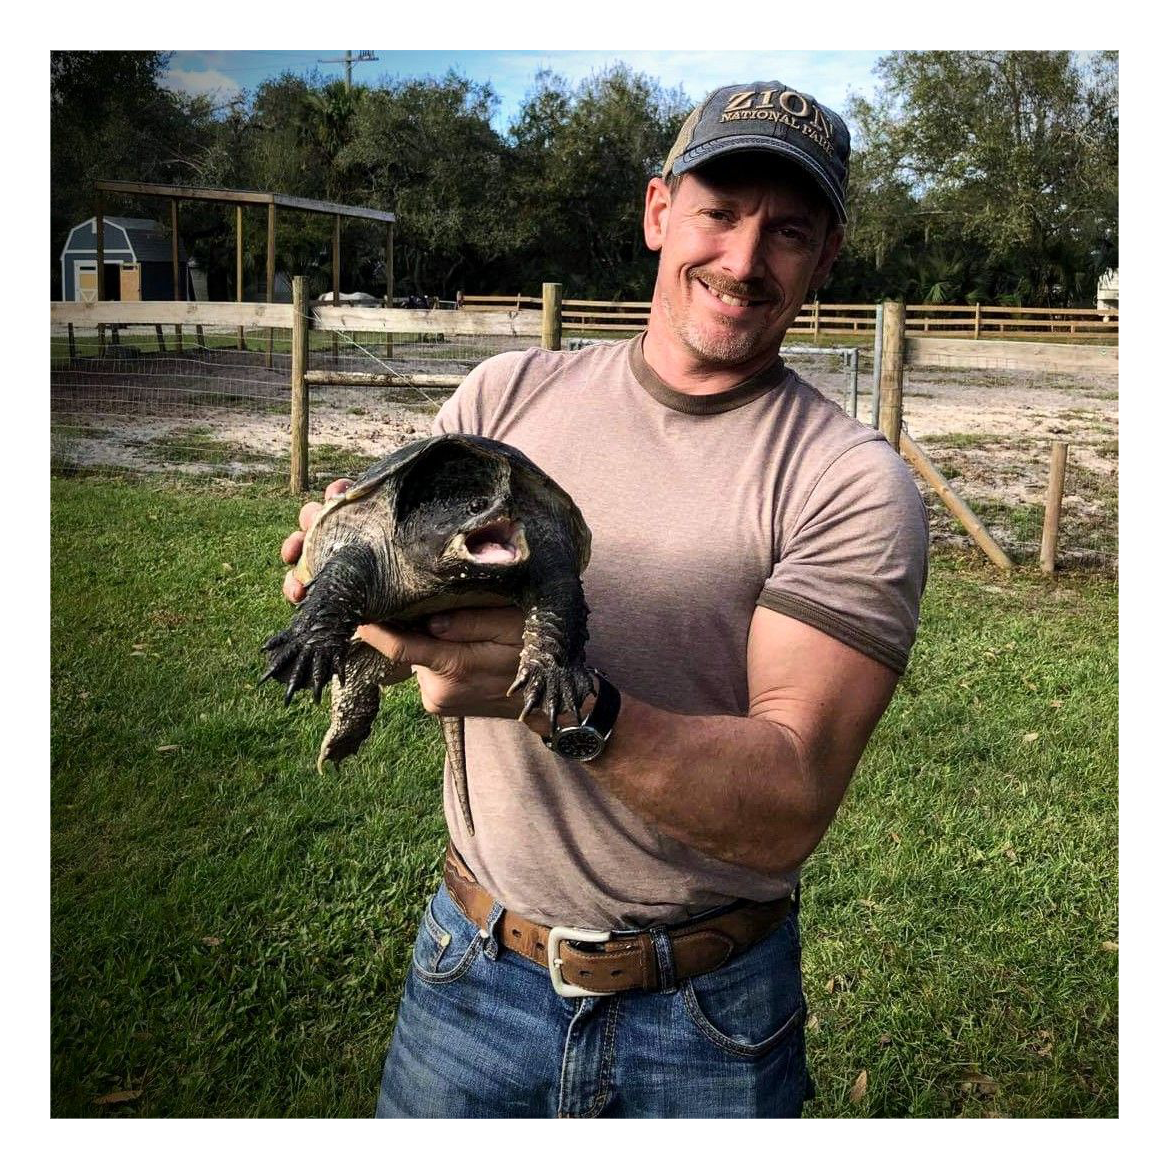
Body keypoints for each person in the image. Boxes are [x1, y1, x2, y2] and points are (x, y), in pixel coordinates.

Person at [280, 80, 928, 1118]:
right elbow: (396, 594)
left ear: (825, 258)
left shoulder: (846, 481)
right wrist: (342, 590)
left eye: (788, 231)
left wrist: (563, 701)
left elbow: (786, 806)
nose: (744, 259)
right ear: (656, 212)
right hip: (470, 963)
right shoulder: (500, 402)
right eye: (718, 213)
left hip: (705, 1015)